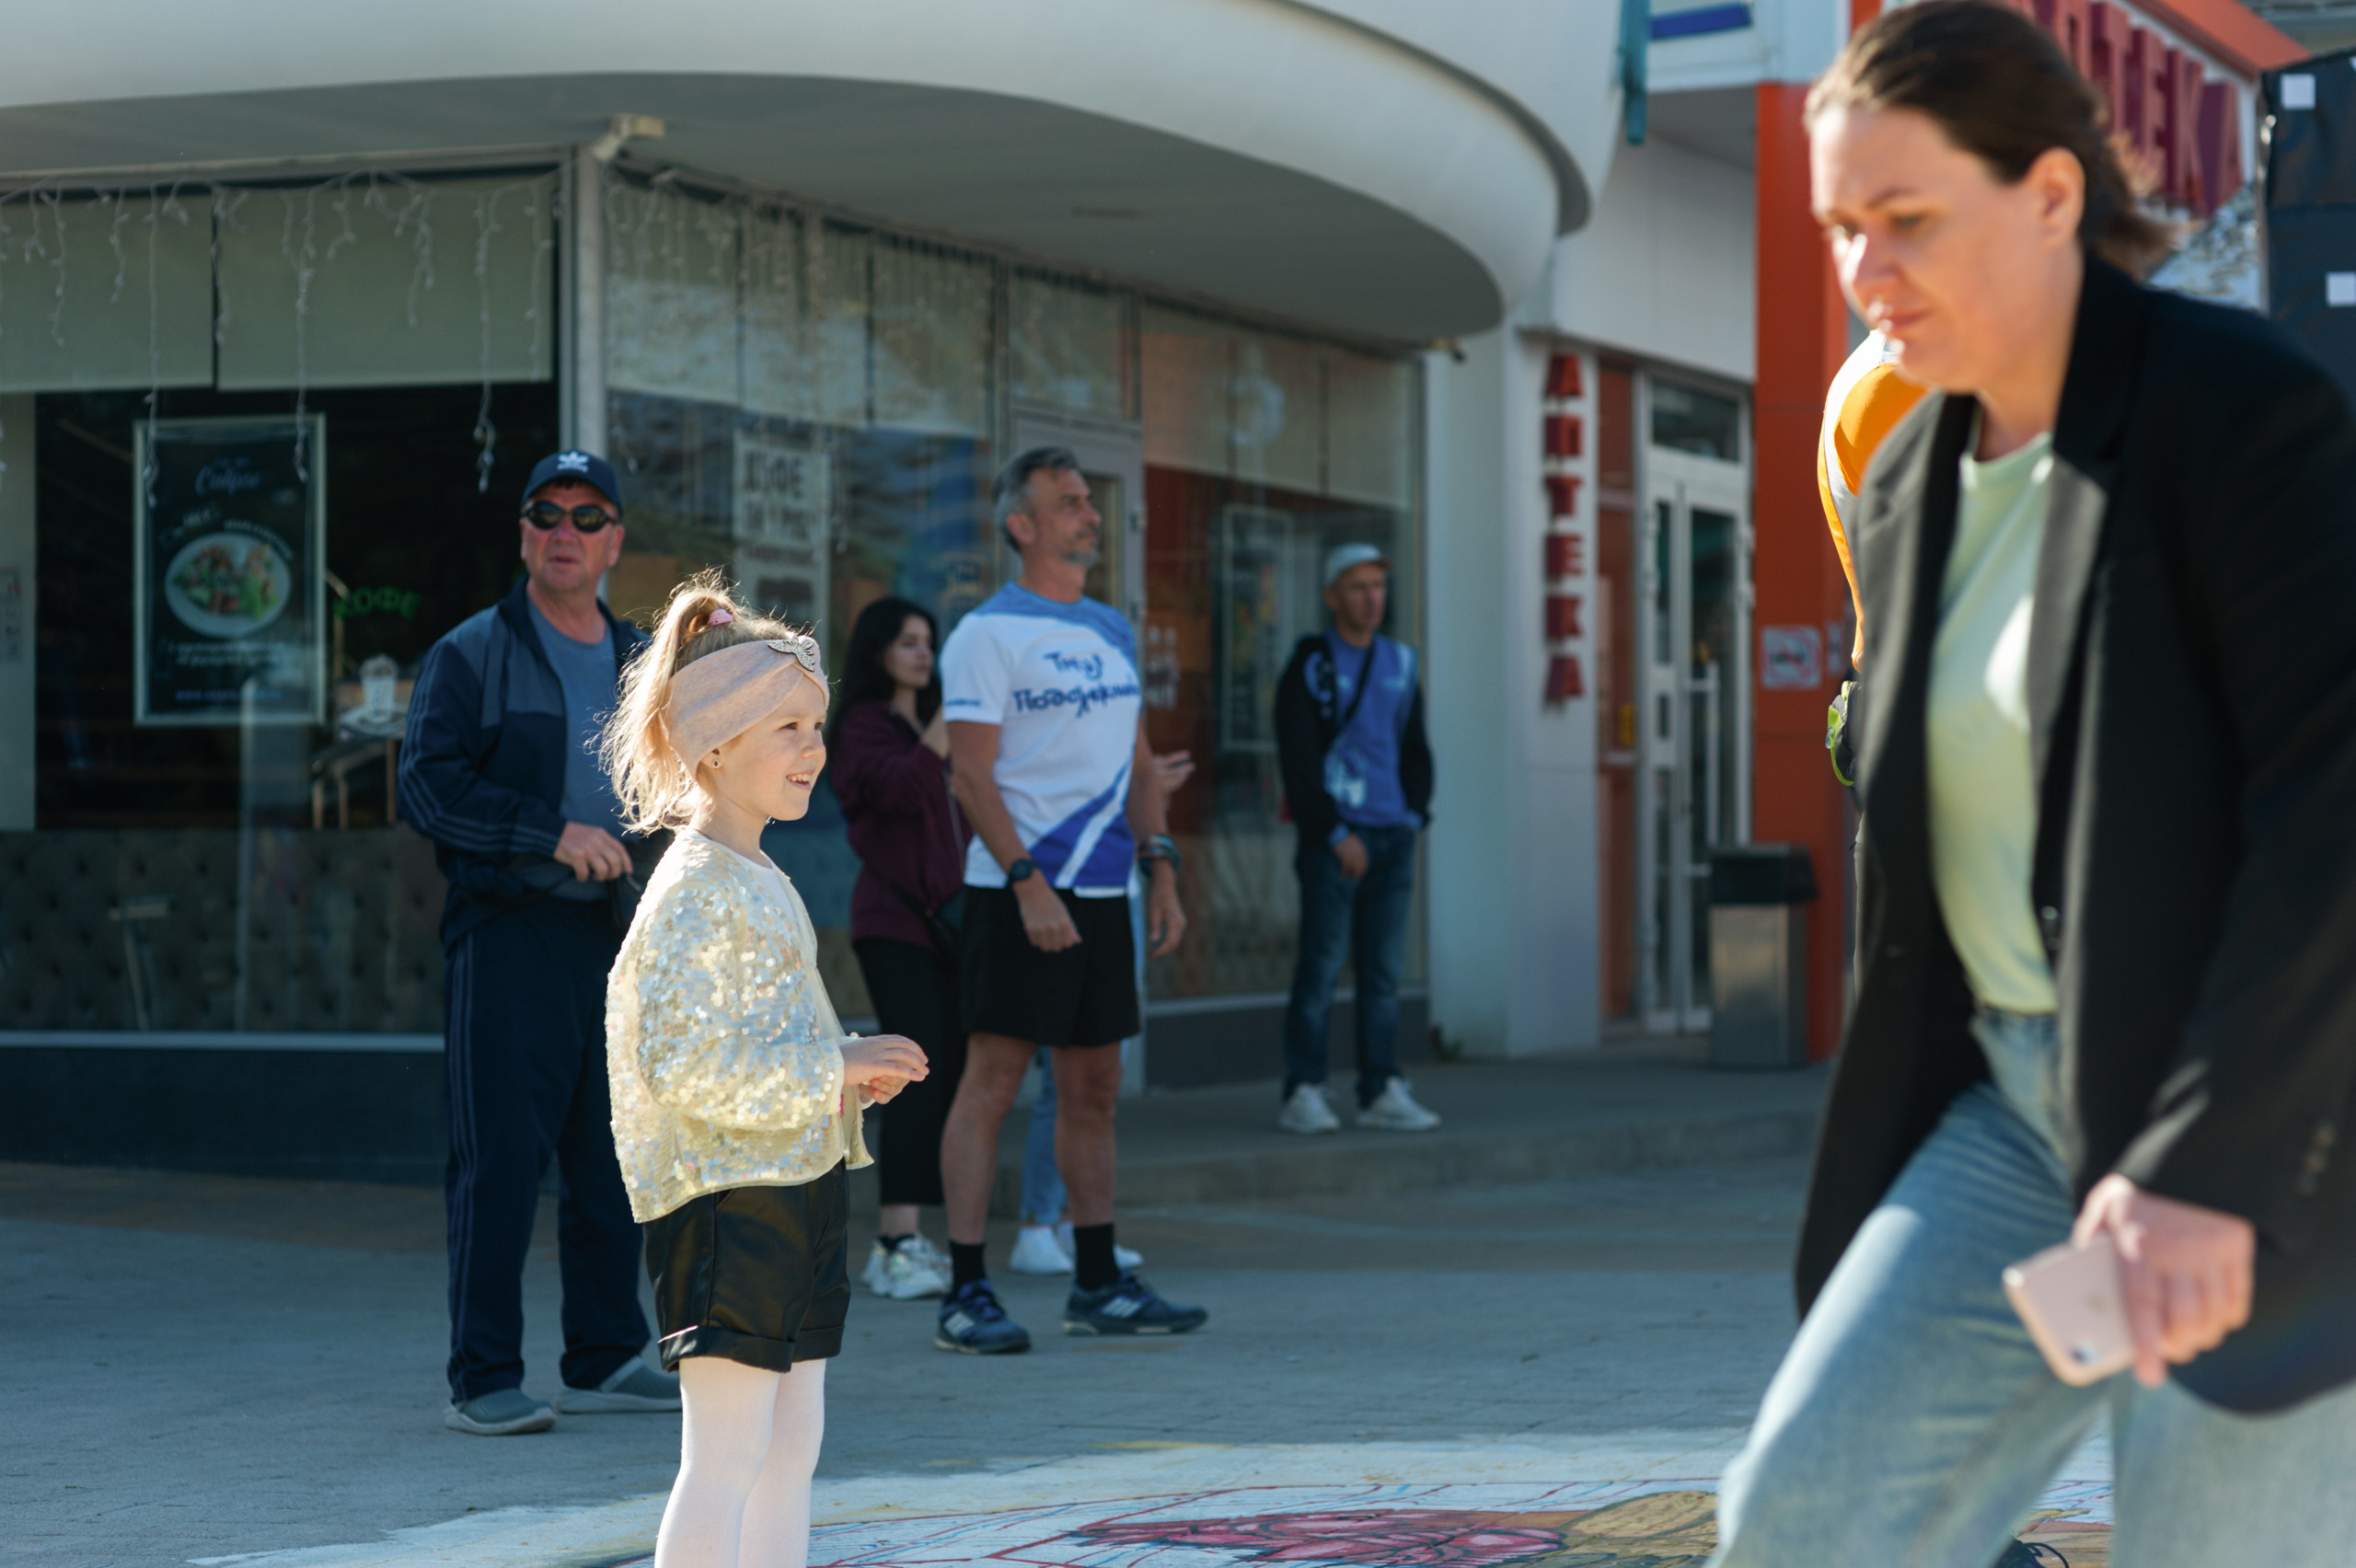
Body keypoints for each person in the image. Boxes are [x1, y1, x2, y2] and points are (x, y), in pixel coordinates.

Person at [1710, 7, 2356, 1563]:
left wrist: (2212, 1160)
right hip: (2015, 1112)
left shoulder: (2239, 412)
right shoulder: (1903, 476)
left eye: (1909, 218)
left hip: (2266, 1111)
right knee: (1803, 1519)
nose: (1867, 273)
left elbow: (2331, 810)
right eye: (1843, 229)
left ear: (2053, 195)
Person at [601, 579, 928, 1568]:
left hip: (789, 1190)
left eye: (815, 725)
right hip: (726, 1204)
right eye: (786, 726)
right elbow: (686, 1065)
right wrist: (831, 1064)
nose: (813, 751)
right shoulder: (697, 887)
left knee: (788, 1447)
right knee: (730, 1453)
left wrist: (837, 1082)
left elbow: (754, 1050)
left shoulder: (755, 872)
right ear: (714, 743)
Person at [397, 448, 680, 1436]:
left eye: (588, 515)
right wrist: (544, 832)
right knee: (500, 1161)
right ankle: (482, 1378)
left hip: (614, 940)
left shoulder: (643, 659)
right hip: (509, 931)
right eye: (546, 513)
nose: (566, 531)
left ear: (615, 542)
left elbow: (679, 781)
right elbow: (426, 786)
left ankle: (603, 1356)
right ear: (524, 534)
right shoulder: (473, 651)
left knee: (610, 1157)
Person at [930, 445, 1205, 1353]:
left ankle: (1096, 1282)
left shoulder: (1109, 629)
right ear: (1023, 525)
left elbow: (1132, 760)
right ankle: (965, 1290)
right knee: (993, 1084)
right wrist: (1025, 883)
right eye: (1071, 504)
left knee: (1095, 1086)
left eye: (1090, 503)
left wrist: (1158, 865)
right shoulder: (986, 634)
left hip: (1102, 889)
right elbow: (969, 777)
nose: (1090, 516)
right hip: (1018, 890)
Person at [1271, 544, 1438, 1135]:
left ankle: (1380, 1086)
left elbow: (1415, 748)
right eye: (1358, 587)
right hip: (1333, 840)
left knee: (1383, 971)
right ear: (1331, 597)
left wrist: (1414, 816)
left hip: (1393, 835)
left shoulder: (1400, 661)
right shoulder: (1312, 665)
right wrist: (1334, 831)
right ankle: (1304, 1088)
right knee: (1320, 966)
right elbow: (1297, 756)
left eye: (1378, 586)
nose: (1372, 598)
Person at [830, 595, 964, 1301]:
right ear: (879, 649)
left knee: (948, 1071)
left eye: (929, 643)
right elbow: (900, 791)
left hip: (953, 926)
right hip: (893, 924)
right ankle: (894, 1240)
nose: (922, 654)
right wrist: (940, 733)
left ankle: (914, 1237)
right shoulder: (863, 726)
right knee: (910, 1073)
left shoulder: (931, 724)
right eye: (908, 641)